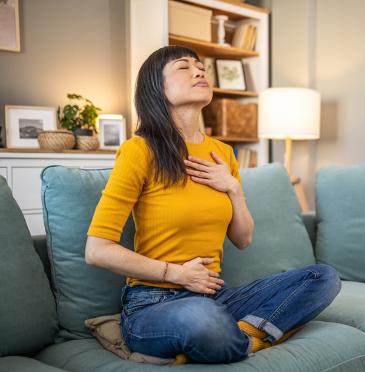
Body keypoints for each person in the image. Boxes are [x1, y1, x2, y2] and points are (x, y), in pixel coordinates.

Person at [84, 45, 341, 364]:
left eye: (200, 66)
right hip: (153, 302)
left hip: (214, 296)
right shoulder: (140, 151)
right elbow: (97, 250)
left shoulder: (223, 154)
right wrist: (178, 274)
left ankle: (235, 339)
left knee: (323, 278)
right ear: (156, 87)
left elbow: (243, 240)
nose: (199, 71)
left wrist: (233, 188)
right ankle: (237, 335)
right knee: (202, 318)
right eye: (183, 67)